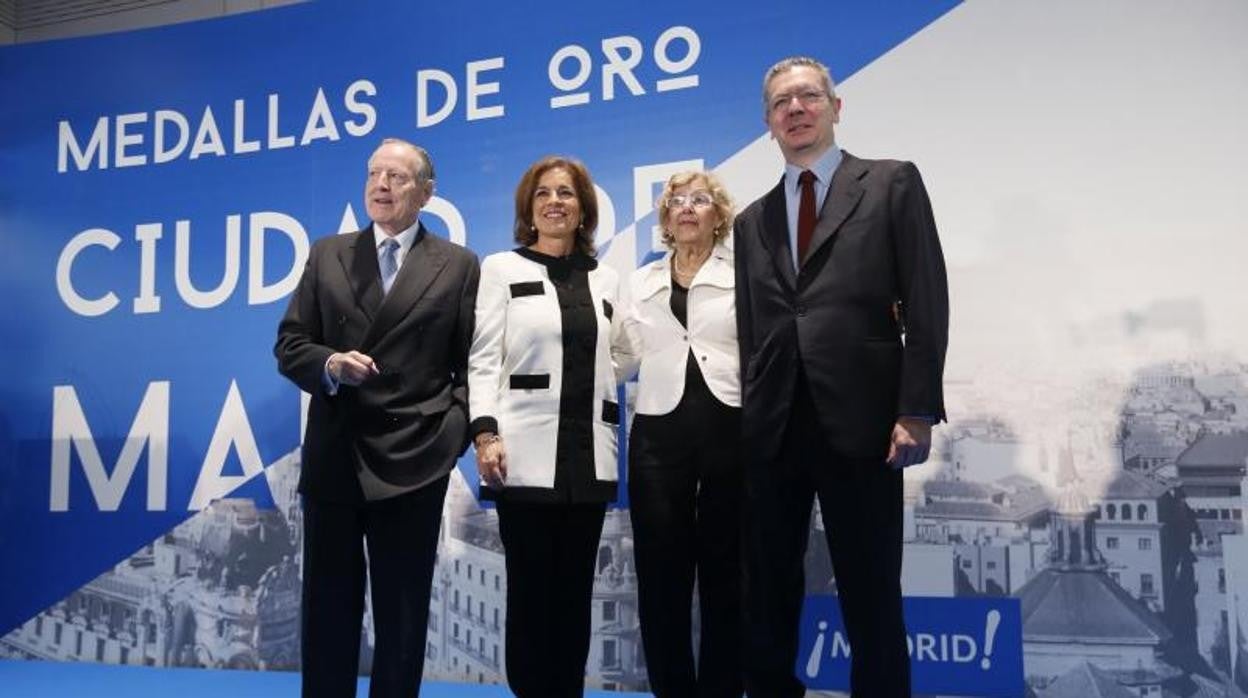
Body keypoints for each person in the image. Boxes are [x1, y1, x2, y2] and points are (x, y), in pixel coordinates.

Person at [733, 56, 949, 697]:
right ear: (769, 123)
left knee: (871, 588)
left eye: (807, 97)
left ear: (835, 106)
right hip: (774, 429)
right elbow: (754, 332)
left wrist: (916, 409)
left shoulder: (890, 184)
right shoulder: (752, 221)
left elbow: (926, 300)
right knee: (768, 591)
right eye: (780, 103)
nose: (794, 110)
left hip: (865, 421)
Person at [275, 138, 479, 698]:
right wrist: (331, 363)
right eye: (373, 173)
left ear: (426, 192)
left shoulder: (458, 265)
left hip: (415, 460)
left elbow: (471, 366)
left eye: (396, 176)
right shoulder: (328, 254)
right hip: (336, 456)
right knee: (327, 613)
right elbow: (290, 344)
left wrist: (450, 437)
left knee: (403, 615)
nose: (381, 184)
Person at [467, 155, 625, 697]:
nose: (555, 201)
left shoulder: (608, 277)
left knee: (574, 595)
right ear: (528, 209)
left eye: (566, 193)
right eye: (543, 194)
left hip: (589, 456)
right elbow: (483, 359)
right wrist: (485, 434)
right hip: (522, 457)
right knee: (532, 595)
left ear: (583, 209)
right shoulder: (500, 269)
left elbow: (621, 353)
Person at [615, 171, 743, 697]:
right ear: (665, 219)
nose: (686, 208)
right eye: (675, 202)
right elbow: (621, 355)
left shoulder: (743, 273)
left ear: (719, 214)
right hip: (657, 436)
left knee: (727, 572)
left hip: (731, 426)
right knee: (660, 574)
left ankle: (721, 688)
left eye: (700, 200)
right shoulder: (640, 281)